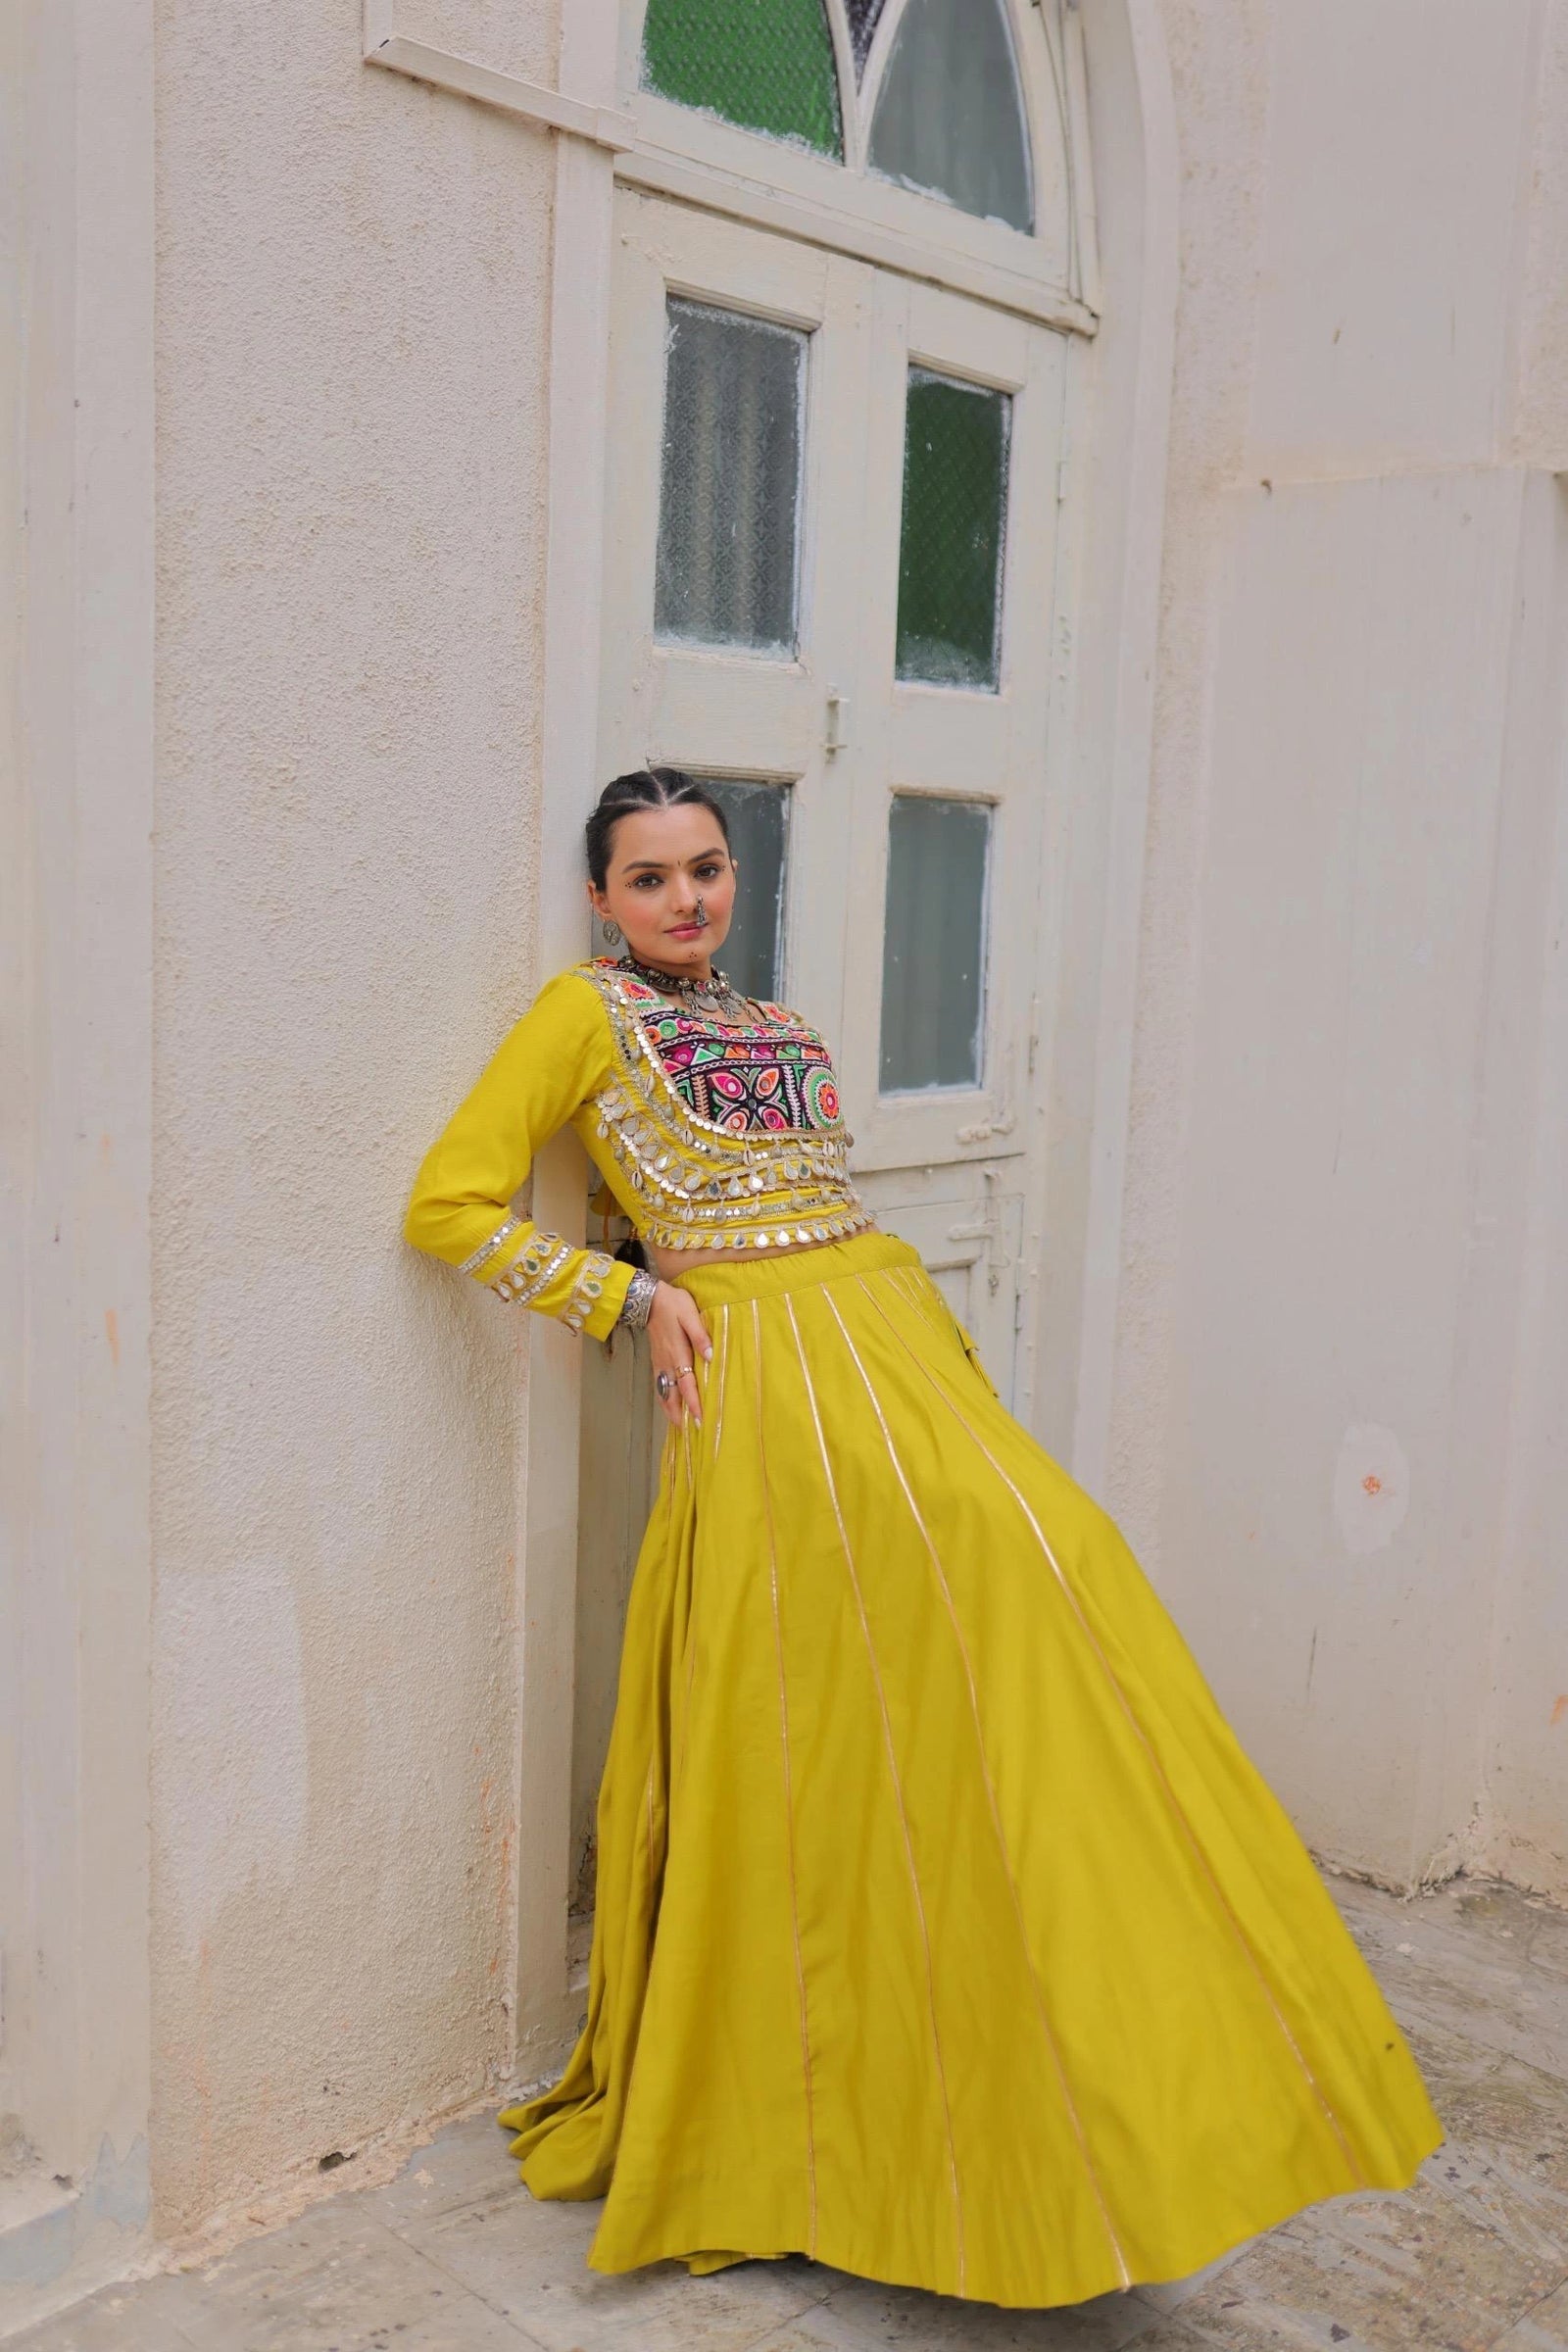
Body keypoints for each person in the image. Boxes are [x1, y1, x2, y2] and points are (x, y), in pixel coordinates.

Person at [403, 763, 1443, 2311]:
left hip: (890, 1345)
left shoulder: (781, 1029)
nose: (686, 898)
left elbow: (799, 1193)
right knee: (803, 1727)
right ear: (601, 896)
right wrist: (626, 1295)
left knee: (1044, 1602)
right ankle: (793, 2121)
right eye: (650, 876)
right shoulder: (582, 1015)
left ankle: (1084, 2070)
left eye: (706, 867)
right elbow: (448, 1203)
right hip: (769, 1388)